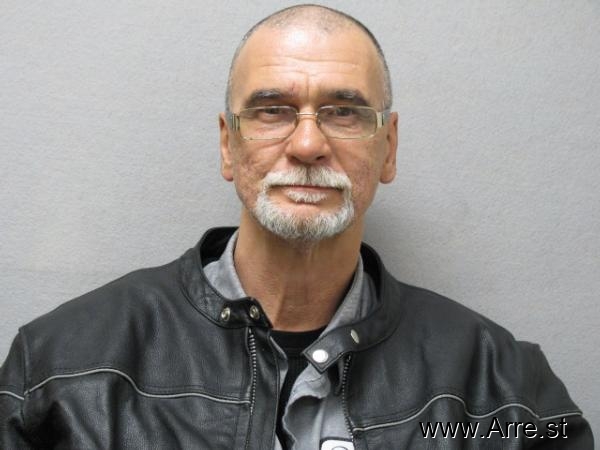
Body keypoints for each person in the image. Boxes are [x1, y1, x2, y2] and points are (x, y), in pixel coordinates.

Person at [0, 4, 593, 449]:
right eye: (272, 110)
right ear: (228, 145)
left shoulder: (504, 393)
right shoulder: (58, 372)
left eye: (344, 112)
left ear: (388, 148)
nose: (307, 144)